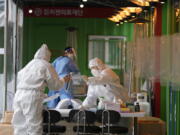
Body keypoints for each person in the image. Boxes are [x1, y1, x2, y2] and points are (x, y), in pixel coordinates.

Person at [12, 44, 70, 135]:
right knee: (34, 126)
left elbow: (23, 77)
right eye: (49, 56)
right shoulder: (46, 65)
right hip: (31, 97)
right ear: (47, 55)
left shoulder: (30, 64)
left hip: (19, 94)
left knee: (19, 125)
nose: (50, 58)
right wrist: (64, 80)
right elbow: (55, 85)